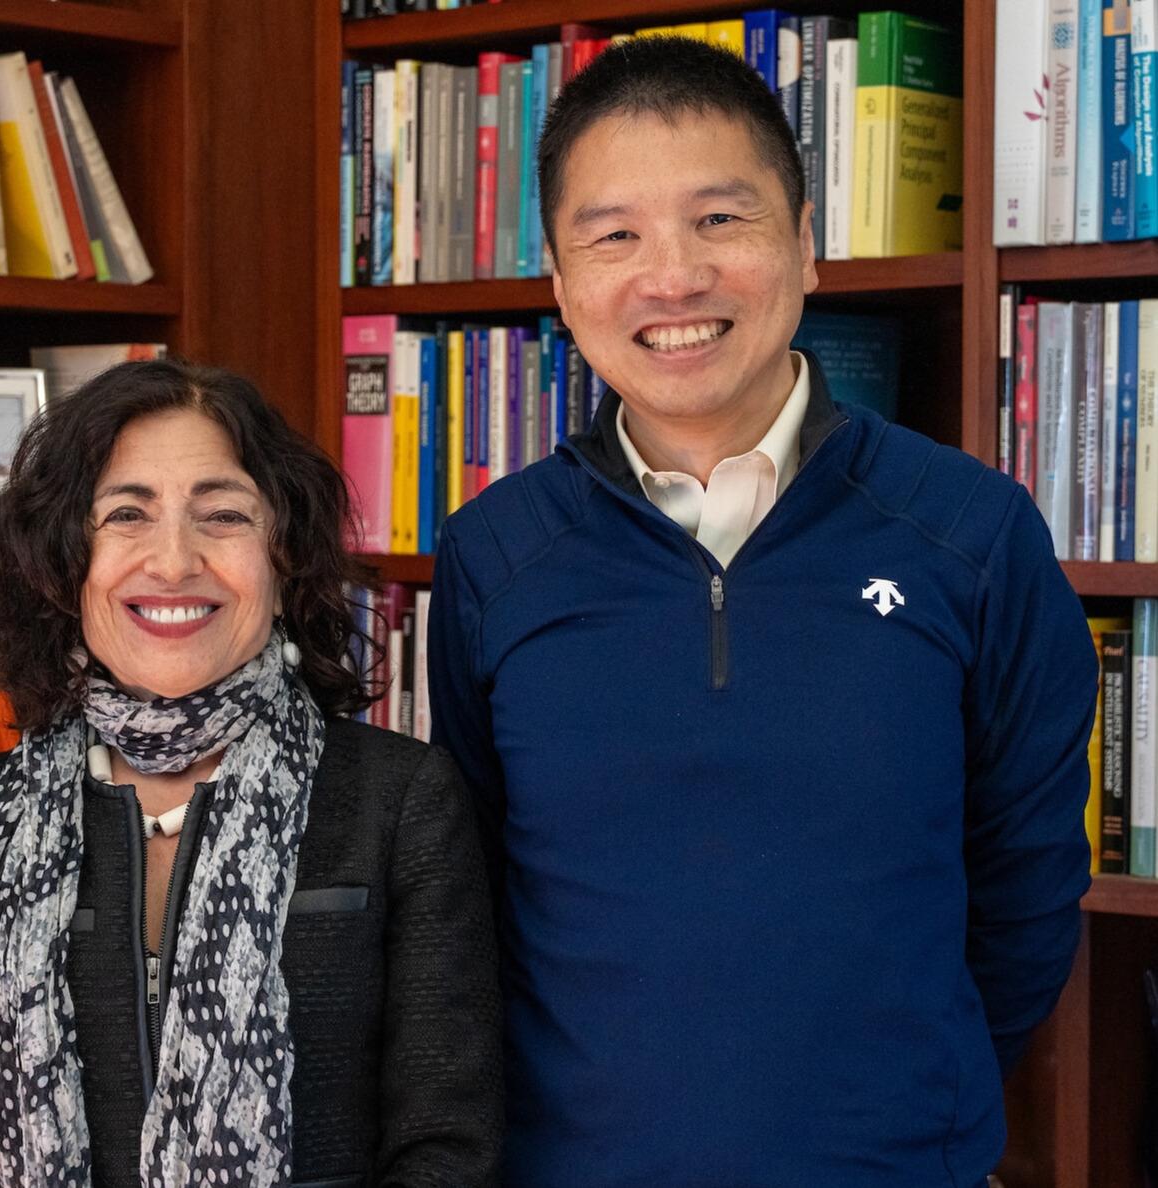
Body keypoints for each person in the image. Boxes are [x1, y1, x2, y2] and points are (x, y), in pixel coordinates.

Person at [427, 35, 1096, 1187]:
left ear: (803, 246)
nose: (671, 277)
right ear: (559, 279)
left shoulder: (970, 533)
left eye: (719, 221)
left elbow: (1026, 890)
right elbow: (476, 895)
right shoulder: (495, 554)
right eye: (613, 235)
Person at [0, 359, 503, 1187]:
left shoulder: (403, 801)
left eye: (222, 515)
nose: (173, 561)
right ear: (63, 565)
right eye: (125, 516)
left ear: (283, 562)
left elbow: (445, 1144)